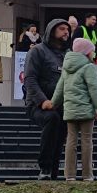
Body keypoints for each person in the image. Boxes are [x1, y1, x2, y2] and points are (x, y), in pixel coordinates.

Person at [50, 37, 97, 182]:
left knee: (71, 141)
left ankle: (69, 175)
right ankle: (87, 175)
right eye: (92, 51)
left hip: (70, 111)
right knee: (86, 141)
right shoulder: (88, 67)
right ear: (86, 53)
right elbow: (94, 88)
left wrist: (53, 103)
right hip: (86, 111)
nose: (93, 54)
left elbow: (59, 88)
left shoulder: (66, 67)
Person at [24, 18, 70, 180]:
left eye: (67, 29)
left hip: (62, 106)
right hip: (38, 105)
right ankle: (44, 168)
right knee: (52, 119)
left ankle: (54, 173)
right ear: (52, 31)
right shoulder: (37, 51)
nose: (66, 32)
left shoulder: (68, 54)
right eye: (62, 29)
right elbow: (30, 79)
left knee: (60, 136)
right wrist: (42, 101)